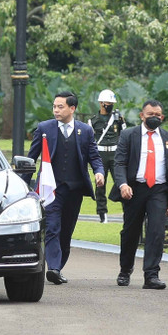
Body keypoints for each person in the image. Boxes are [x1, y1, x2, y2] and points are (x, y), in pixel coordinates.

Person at [26, 91, 105, 285]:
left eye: (60, 107)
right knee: (52, 227)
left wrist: (99, 172)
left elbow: (94, 156)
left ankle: (57, 268)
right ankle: (53, 268)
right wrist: (23, 184)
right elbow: (31, 158)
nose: (56, 110)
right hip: (51, 190)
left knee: (66, 231)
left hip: (75, 190)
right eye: (54, 106)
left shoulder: (85, 131)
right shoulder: (44, 128)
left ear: (72, 108)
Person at [113, 100, 168, 290]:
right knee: (130, 232)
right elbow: (120, 162)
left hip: (158, 190)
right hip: (134, 189)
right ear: (142, 116)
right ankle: (125, 270)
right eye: (150, 114)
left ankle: (151, 275)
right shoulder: (128, 135)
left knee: (156, 232)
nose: (154, 118)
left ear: (162, 117)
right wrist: (123, 184)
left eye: (158, 115)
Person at [87, 89, 127, 223]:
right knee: (100, 185)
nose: (110, 106)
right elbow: (90, 139)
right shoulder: (93, 120)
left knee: (121, 182)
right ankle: (102, 213)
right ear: (101, 103)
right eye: (108, 103)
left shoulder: (118, 118)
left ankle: (126, 211)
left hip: (115, 153)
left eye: (111, 103)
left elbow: (124, 134)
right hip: (100, 154)